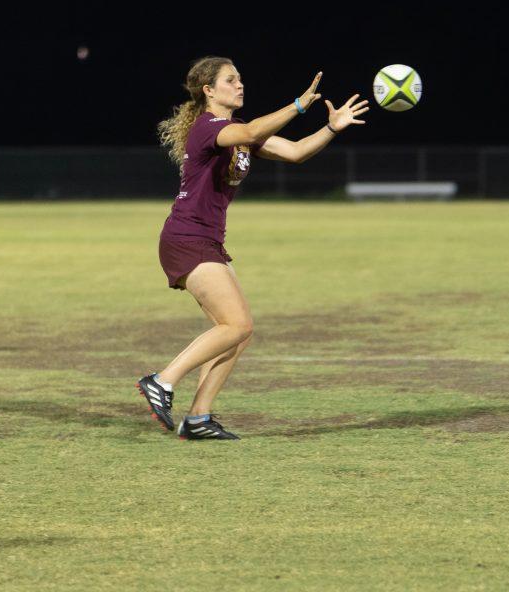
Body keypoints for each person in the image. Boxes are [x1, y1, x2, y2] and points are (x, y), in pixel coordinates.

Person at [138, 56, 370, 440]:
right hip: (186, 237)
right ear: (209, 91)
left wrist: (331, 127)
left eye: (241, 79)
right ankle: (162, 381)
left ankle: (198, 418)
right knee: (237, 324)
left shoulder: (240, 131)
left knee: (239, 332)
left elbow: (295, 152)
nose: (240, 85)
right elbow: (247, 134)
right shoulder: (208, 128)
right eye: (231, 80)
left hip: (207, 240)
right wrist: (297, 106)